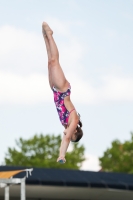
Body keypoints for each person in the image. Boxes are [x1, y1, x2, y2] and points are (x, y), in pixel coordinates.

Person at [42, 22, 83, 163]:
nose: (67, 133)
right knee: (54, 61)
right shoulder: (74, 120)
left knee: (49, 62)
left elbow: (65, 136)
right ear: (75, 131)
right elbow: (66, 139)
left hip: (55, 91)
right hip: (63, 90)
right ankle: (50, 35)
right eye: (71, 135)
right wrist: (62, 155)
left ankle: (46, 38)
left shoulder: (65, 124)